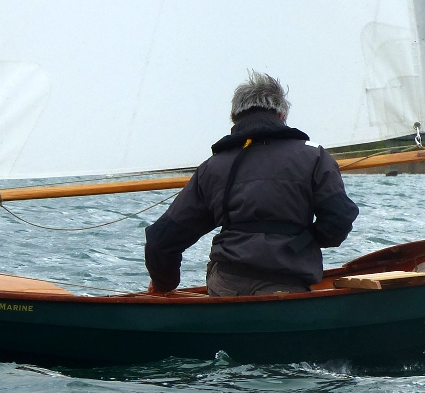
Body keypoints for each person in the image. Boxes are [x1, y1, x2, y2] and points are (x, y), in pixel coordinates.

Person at [145, 71, 359, 296]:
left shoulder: (213, 167)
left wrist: (163, 284)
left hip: (226, 284)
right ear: (280, 115)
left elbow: (161, 240)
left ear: (235, 119)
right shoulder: (314, 157)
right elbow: (340, 218)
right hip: (286, 283)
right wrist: (304, 242)